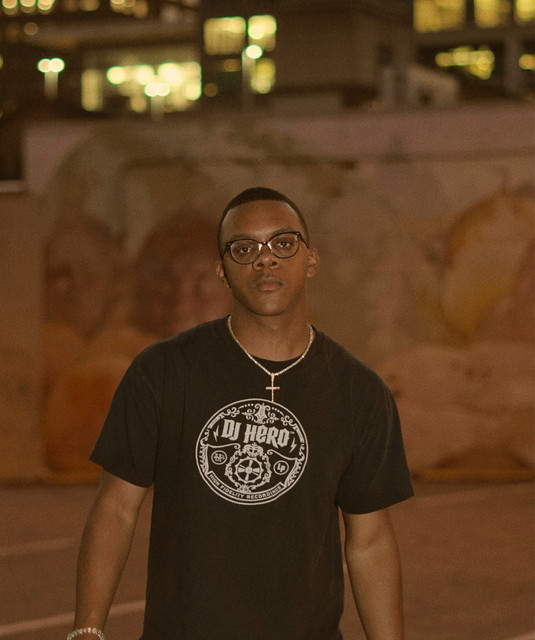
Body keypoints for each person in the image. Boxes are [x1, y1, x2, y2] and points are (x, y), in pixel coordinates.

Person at [71, 187, 414, 640]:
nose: (265, 259)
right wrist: (86, 631)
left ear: (311, 260)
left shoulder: (359, 392)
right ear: (223, 271)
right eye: (245, 248)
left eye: (283, 243)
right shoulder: (163, 371)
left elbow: (370, 542)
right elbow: (115, 509)